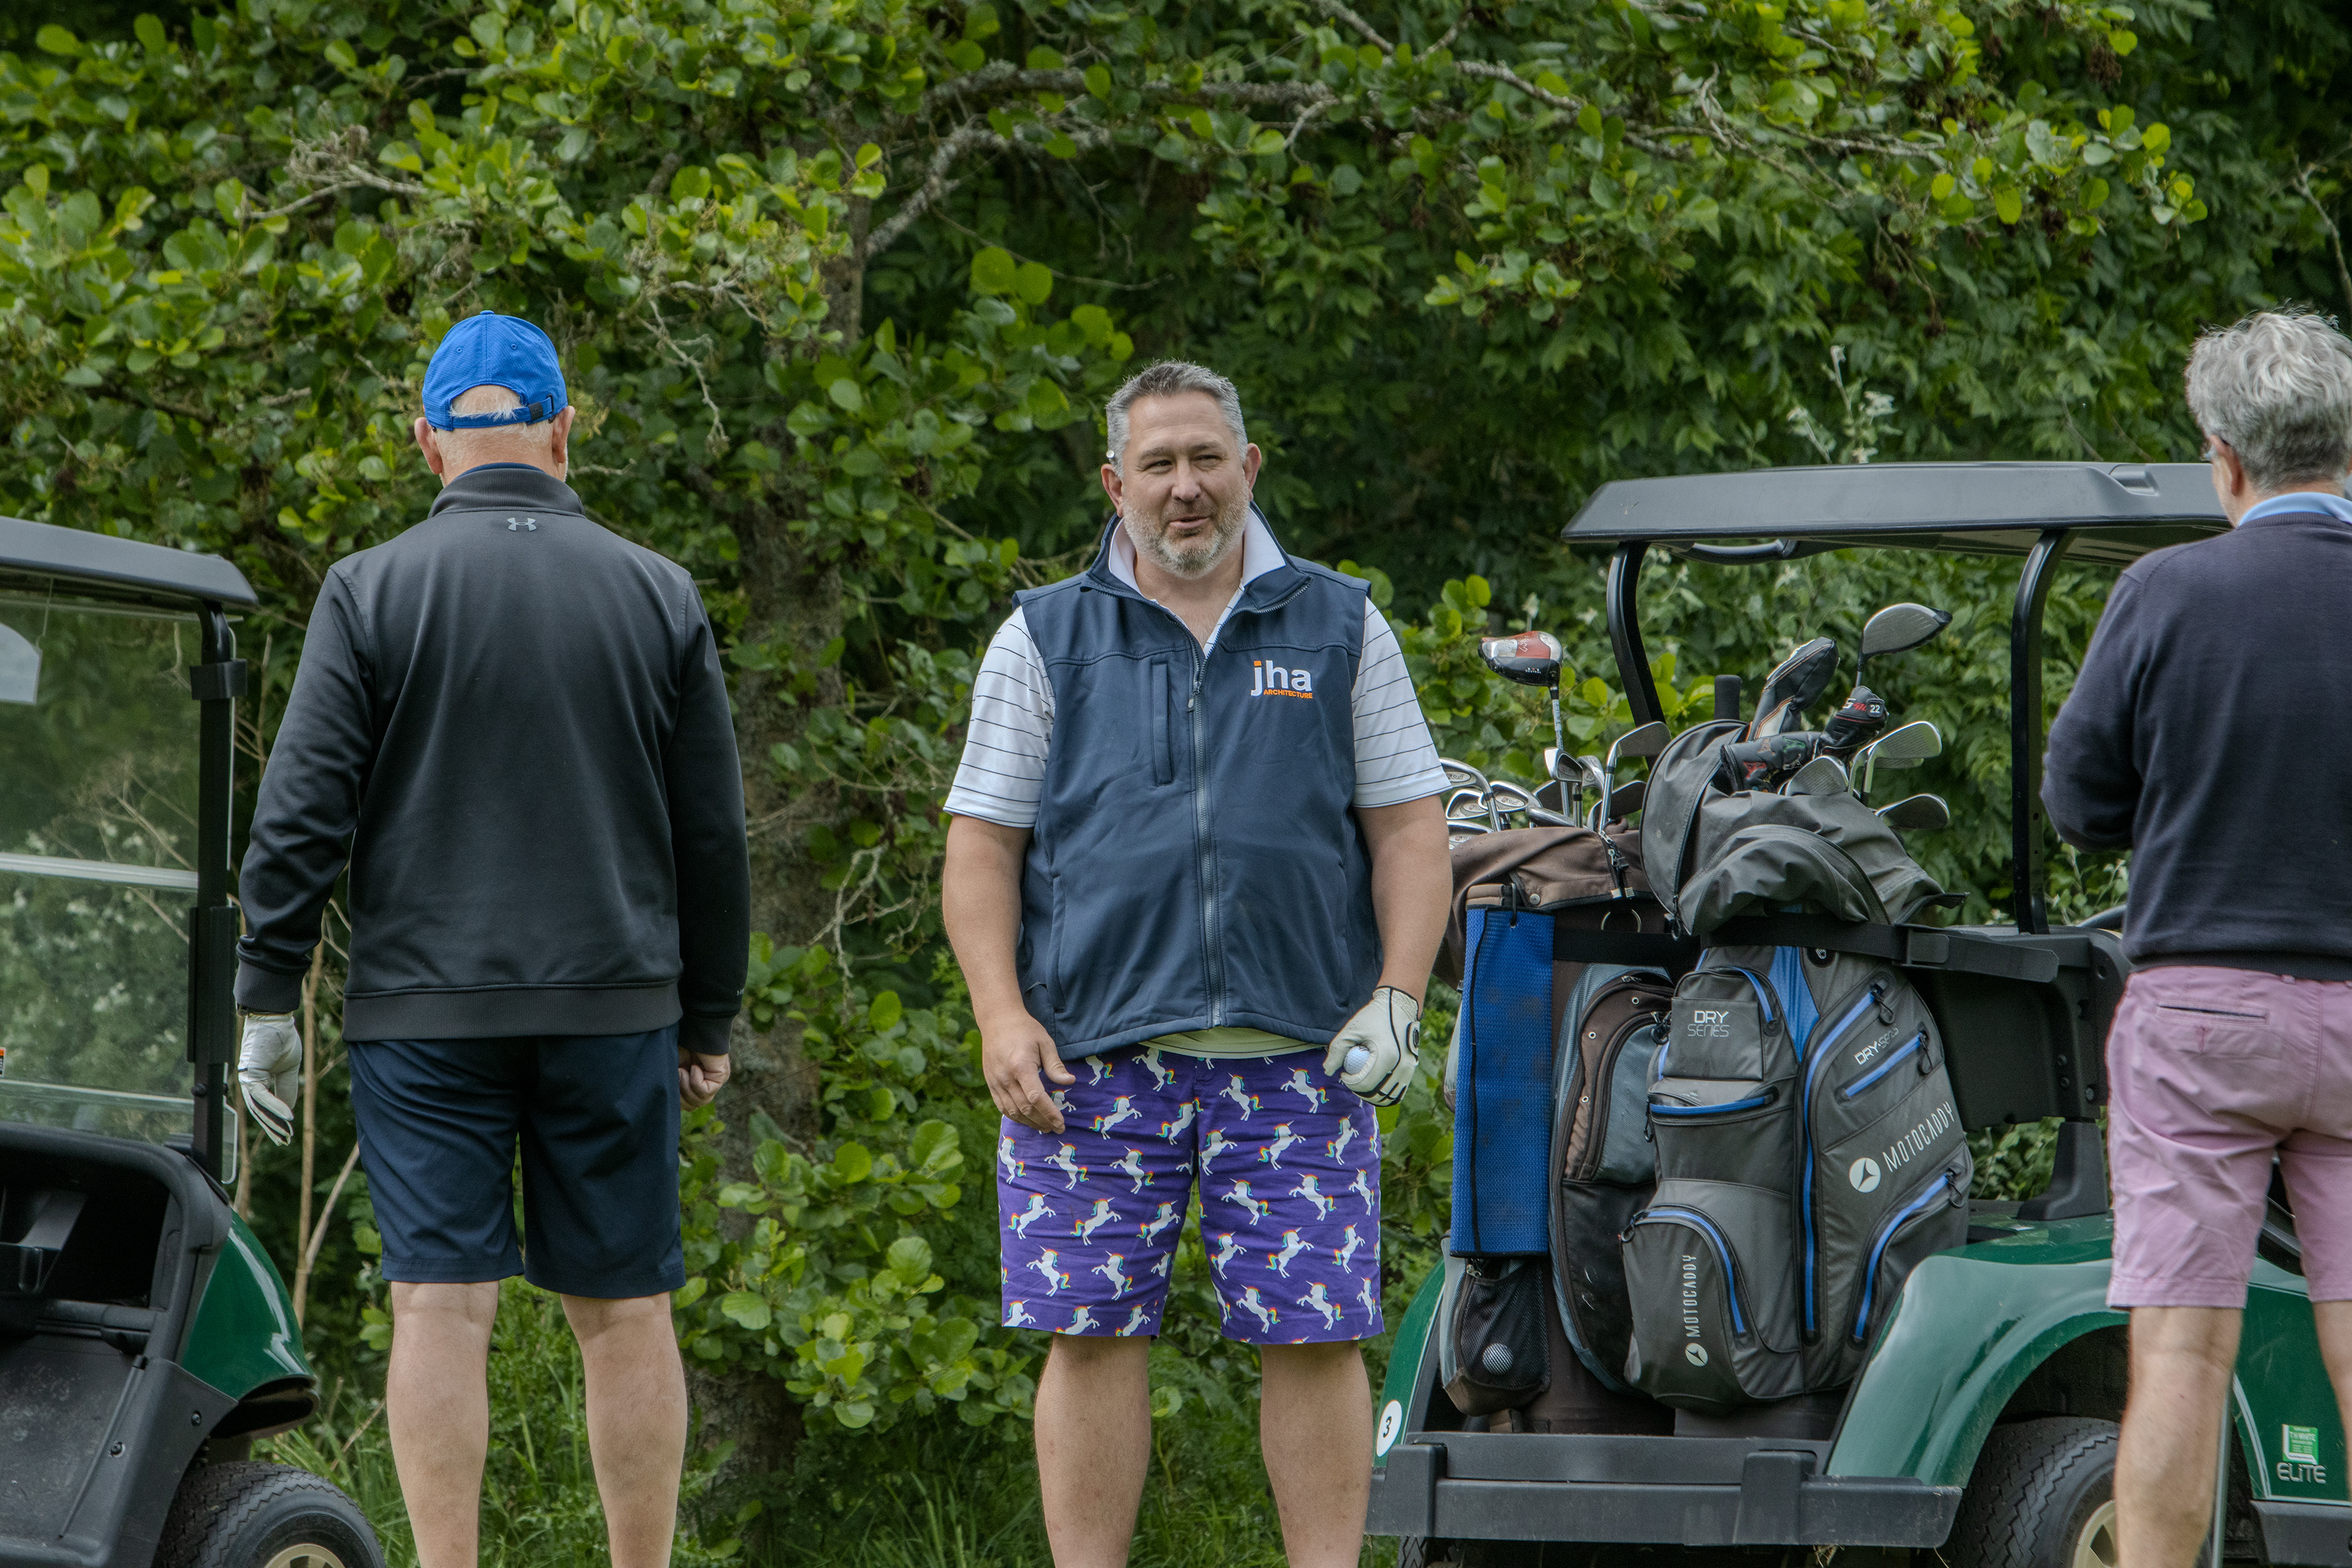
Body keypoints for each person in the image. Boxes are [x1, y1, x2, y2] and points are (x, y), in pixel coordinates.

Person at [233, 311, 750, 1568]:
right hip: (615, 1004)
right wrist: (709, 1013)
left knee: (439, 1307)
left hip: (425, 1014)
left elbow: (300, 816)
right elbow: (712, 832)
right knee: (626, 1315)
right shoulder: (658, 590)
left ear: (428, 443)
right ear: (564, 431)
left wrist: (264, 994)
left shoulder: (370, 589)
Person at [940, 360, 1453, 1567]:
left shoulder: (1340, 622)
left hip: (1304, 1054)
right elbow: (982, 848)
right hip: (1088, 1060)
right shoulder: (1044, 635)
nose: (1186, 486)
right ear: (1114, 483)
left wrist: (1399, 993)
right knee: (1089, 1334)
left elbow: (1410, 831)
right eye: (1159, 464)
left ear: (1249, 467)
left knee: (1315, 1335)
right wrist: (1000, 1014)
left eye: (1207, 458)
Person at [2044, 306, 2352, 1567]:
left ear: (2222, 458)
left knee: (2180, 1349)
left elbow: (2080, 802)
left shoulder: (2163, 591)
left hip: (2202, 1014)